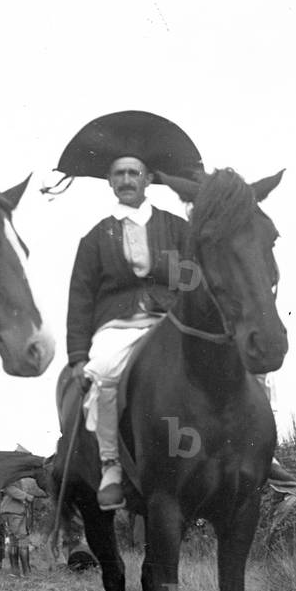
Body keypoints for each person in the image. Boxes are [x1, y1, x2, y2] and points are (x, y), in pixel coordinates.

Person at [58, 111, 201, 511]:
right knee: (103, 373)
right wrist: (76, 357)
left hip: (171, 321)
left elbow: (196, 276)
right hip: (117, 326)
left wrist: (158, 265)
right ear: (109, 182)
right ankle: (110, 468)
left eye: (133, 173)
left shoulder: (177, 228)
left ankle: (257, 453)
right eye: (118, 174)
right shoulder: (94, 237)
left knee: (223, 363)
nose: (126, 180)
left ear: (148, 179)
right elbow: (80, 299)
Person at [1, 480, 36, 576]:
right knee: (22, 540)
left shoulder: (15, 474)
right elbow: (9, 488)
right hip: (14, 510)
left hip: (12, 510)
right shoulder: (11, 474)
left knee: (14, 541)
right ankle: (26, 572)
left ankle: (16, 572)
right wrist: (26, 496)